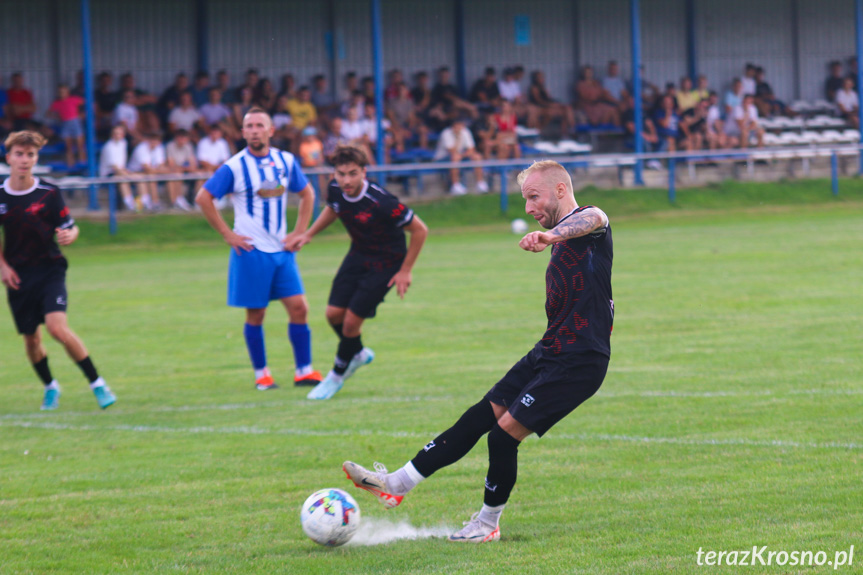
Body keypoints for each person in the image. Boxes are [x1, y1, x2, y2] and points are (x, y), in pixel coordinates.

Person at [342, 159, 613, 543]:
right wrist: (552, 237)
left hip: (581, 359)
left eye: (533, 197)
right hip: (551, 349)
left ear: (560, 190)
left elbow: (596, 217)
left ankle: (487, 524)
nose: (528, 208)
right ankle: (397, 483)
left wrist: (552, 237)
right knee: (478, 417)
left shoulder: (589, 224)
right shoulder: (562, 235)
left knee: (503, 436)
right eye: (524, 199)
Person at [195, 107, 323, 390]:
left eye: (259, 125)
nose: (254, 130)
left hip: (282, 252)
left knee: (299, 308)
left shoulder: (286, 161)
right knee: (257, 314)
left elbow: (307, 194)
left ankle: (304, 371)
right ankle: (262, 374)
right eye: (248, 126)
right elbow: (204, 197)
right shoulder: (235, 166)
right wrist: (228, 234)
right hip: (251, 252)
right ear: (242, 133)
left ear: (271, 130)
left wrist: (299, 232)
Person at [287, 146, 428, 400]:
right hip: (358, 255)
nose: (346, 180)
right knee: (333, 315)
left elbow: (420, 230)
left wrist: (405, 271)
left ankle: (336, 376)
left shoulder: (382, 202)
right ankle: (358, 353)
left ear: (364, 172)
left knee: (351, 322)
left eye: (353, 173)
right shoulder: (335, 189)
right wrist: (308, 234)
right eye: (341, 174)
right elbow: (334, 208)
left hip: (387, 262)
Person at [1, 131, 116, 410]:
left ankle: (97, 383)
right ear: (8, 158)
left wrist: (71, 235)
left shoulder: (49, 193)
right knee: (31, 339)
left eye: (30, 154)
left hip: (50, 270)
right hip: (18, 276)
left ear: (37, 158)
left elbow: (70, 226)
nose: (24, 160)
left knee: (56, 328)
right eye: (19, 154)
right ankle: (51, 387)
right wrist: (3, 267)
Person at [433, 117, 488, 195]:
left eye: (461, 125)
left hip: (459, 156)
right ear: (453, 126)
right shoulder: (446, 133)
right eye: (457, 125)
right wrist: (457, 137)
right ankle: (455, 185)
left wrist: (463, 155)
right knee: (455, 157)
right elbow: (452, 151)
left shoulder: (465, 131)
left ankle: (480, 184)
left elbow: (471, 148)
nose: (460, 127)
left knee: (477, 156)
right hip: (442, 159)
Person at [46, 84, 86, 167]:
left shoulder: (73, 99)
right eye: (60, 92)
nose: (62, 94)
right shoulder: (57, 103)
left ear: (68, 92)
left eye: (64, 92)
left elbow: (86, 103)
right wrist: (58, 117)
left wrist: (82, 114)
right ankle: (71, 165)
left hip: (75, 122)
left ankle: (83, 163)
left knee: (80, 145)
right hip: (65, 123)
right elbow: (48, 113)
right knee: (68, 146)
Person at [98, 123, 136, 211]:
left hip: (120, 171)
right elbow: (115, 167)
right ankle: (131, 205)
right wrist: (128, 176)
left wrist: (129, 174)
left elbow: (121, 165)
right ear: (112, 134)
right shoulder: (108, 147)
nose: (117, 135)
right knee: (122, 178)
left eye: (119, 133)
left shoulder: (123, 143)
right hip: (107, 174)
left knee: (141, 177)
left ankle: (147, 203)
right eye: (115, 133)